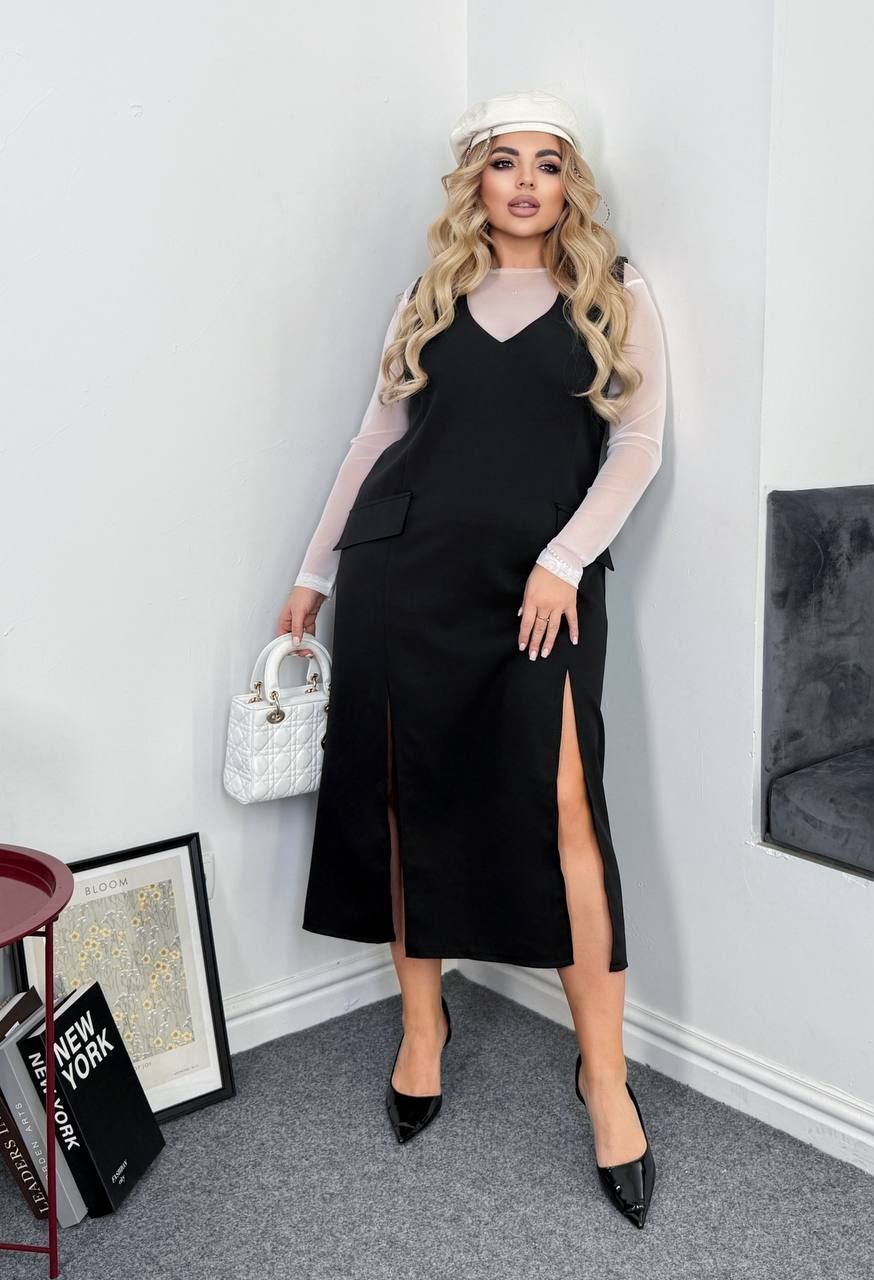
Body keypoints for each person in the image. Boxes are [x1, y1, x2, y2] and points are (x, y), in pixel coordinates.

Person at [277, 90, 667, 1228]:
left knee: (566, 811)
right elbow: (376, 439)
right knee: (411, 801)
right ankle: (421, 1027)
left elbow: (639, 448)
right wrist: (314, 573)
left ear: (570, 184)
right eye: (505, 161)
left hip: (543, 592)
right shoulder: (429, 295)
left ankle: (604, 1075)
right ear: (475, 182)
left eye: (548, 163)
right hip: (407, 577)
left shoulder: (616, 289)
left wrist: (563, 560)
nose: (526, 182)